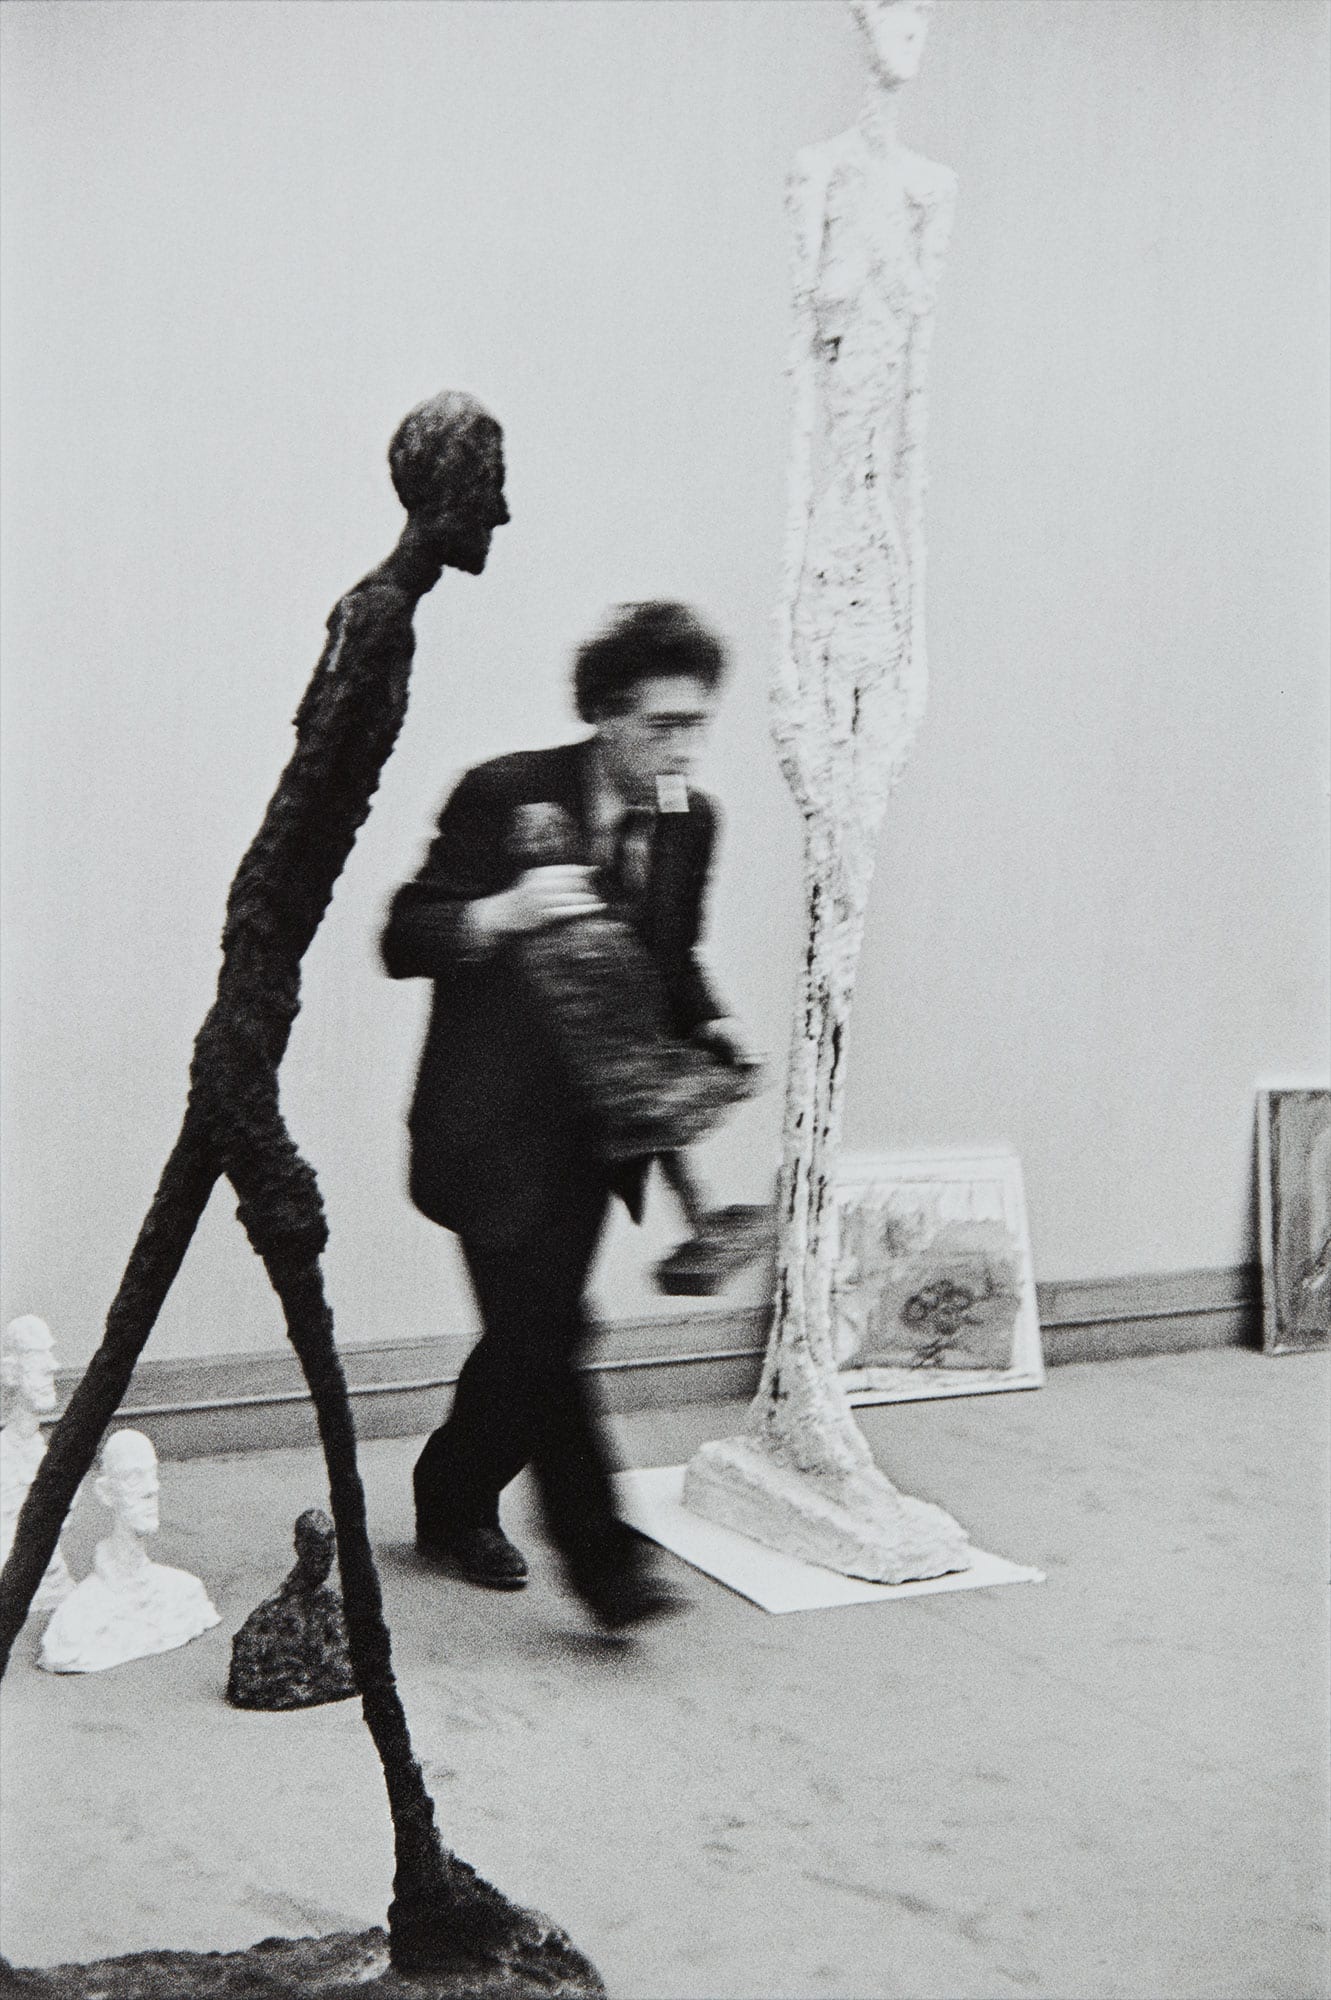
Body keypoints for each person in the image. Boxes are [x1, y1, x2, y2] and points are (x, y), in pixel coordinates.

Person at [381, 600, 758, 1627]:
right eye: (660, 725)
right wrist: (499, 914)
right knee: (548, 1327)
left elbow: (669, 962)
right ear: (602, 714)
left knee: (529, 1335)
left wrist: (713, 1034)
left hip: (599, 1133)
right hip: (484, 1127)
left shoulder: (691, 821)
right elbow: (402, 933)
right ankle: (604, 1560)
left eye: (695, 723)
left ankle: (451, 1495)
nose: (682, 746)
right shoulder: (503, 794)